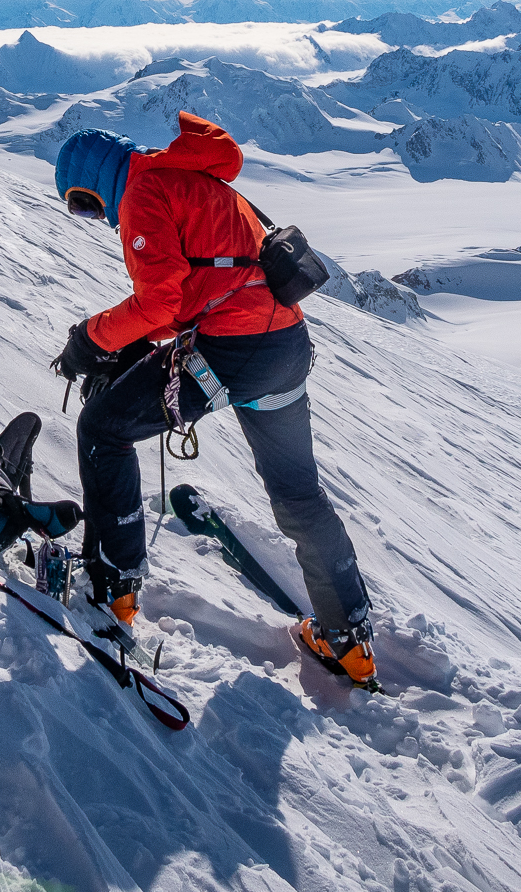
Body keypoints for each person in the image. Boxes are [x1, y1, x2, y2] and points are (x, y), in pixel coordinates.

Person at [51, 110, 377, 685]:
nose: (93, 217)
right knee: (298, 493)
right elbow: (204, 286)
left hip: (232, 352)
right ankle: (349, 642)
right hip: (285, 347)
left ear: (94, 180)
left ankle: (112, 588)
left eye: (83, 204)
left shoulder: (142, 193)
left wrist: (89, 341)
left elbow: (159, 302)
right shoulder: (195, 177)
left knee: (103, 429)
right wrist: (128, 341)